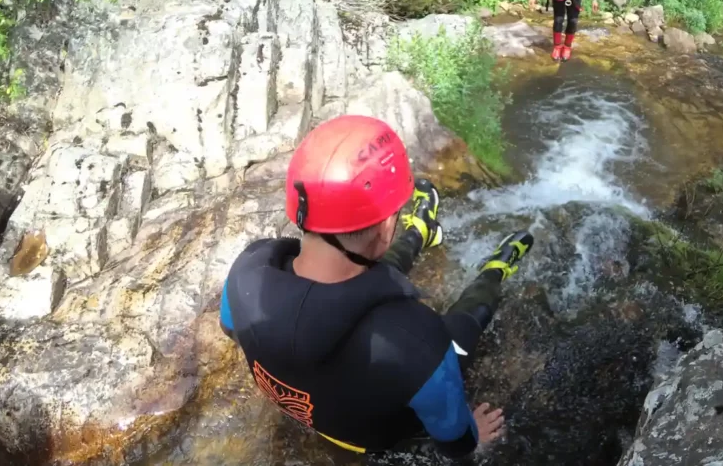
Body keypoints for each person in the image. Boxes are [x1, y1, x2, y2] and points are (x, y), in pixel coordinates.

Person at [219, 115, 535, 459]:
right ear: (386, 228)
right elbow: (455, 442)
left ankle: (421, 232)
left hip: (319, 416)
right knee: (460, 326)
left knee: (364, 271)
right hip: (377, 436)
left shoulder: (247, 269)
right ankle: (495, 269)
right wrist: (476, 438)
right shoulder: (416, 343)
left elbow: (231, 329)